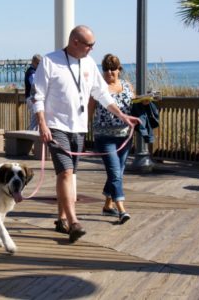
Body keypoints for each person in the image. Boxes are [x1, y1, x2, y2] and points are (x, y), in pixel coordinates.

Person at [33, 25, 139, 243]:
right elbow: (38, 96)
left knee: (69, 175)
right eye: (89, 45)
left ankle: (61, 218)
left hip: (79, 128)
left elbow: (102, 94)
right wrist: (42, 124)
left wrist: (122, 116)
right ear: (75, 42)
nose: (92, 49)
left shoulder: (89, 63)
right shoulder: (50, 61)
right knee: (65, 173)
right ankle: (74, 222)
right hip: (56, 126)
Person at [89, 54, 135, 224]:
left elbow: (134, 106)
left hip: (125, 136)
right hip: (104, 137)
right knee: (115, 172)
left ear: (119, 70)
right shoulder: (98, 88)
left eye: (113, 68)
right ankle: (122, 210)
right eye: (106, 69)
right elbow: (89, 111)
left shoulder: (127, 86)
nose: (109, 72)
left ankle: (108, 205)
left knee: (118, 172)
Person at [24, 54, 42, 130]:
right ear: (33, 62)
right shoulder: (32, 72)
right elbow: (35, 85)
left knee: (36, 120)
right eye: (38, 63)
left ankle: (31, 135)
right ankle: (31, 137)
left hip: (31, 98)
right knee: (35, 120)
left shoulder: (32, 71)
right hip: (32, 98)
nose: (39, 65)